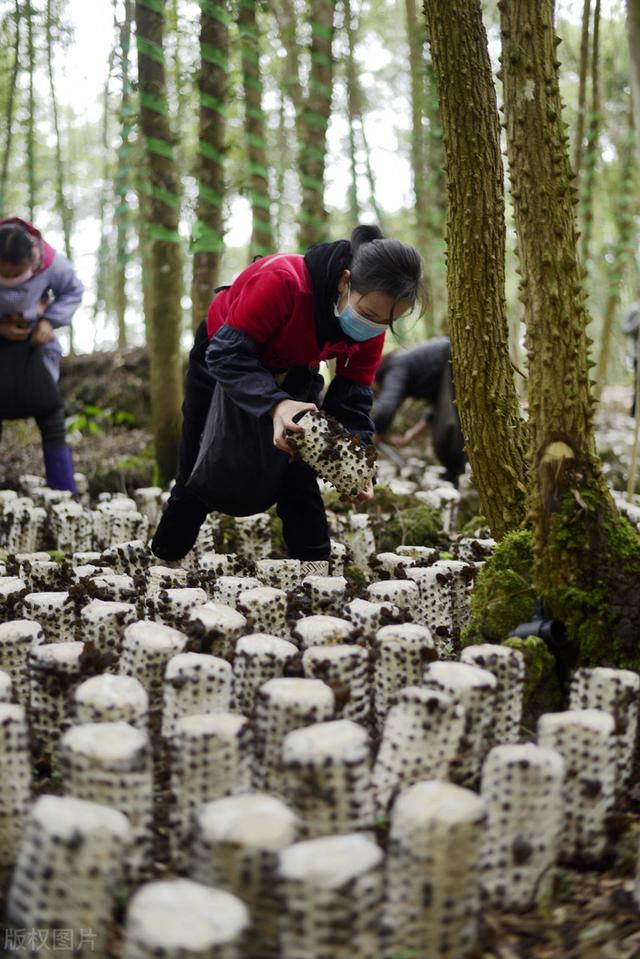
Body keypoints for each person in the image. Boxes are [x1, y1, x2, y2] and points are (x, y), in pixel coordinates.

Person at [151, 224, 423, 564]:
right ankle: (164, 561)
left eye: (387, 321)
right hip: (225, 353)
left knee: (299, 470)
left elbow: (352, 400)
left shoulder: (371, 331)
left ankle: (315, 578)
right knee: (197, 465)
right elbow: (226, 354)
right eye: (368, 314)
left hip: (294, 365)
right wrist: (275, 404)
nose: (373, 326)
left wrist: (358, 464)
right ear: (344, 280)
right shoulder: (283, 281)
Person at [0, 217, 84, 492]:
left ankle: (63, 497)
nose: (11, 282)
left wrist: (49, 322)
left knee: (50, 414)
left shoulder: (52, 263)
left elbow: (73, 291)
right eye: (5, 275)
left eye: (17, 274)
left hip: (35, 343)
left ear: (32, 259)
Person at [372, 337, 466, 485]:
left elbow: (386, 407)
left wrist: (375, 437)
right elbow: (434, 410)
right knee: (446, 423)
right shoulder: (417, 375)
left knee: (449, 424)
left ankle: (455, 474)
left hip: (449, 356)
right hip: (448, 360)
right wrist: (410, 435)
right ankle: (454, 475)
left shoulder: (397, 365)